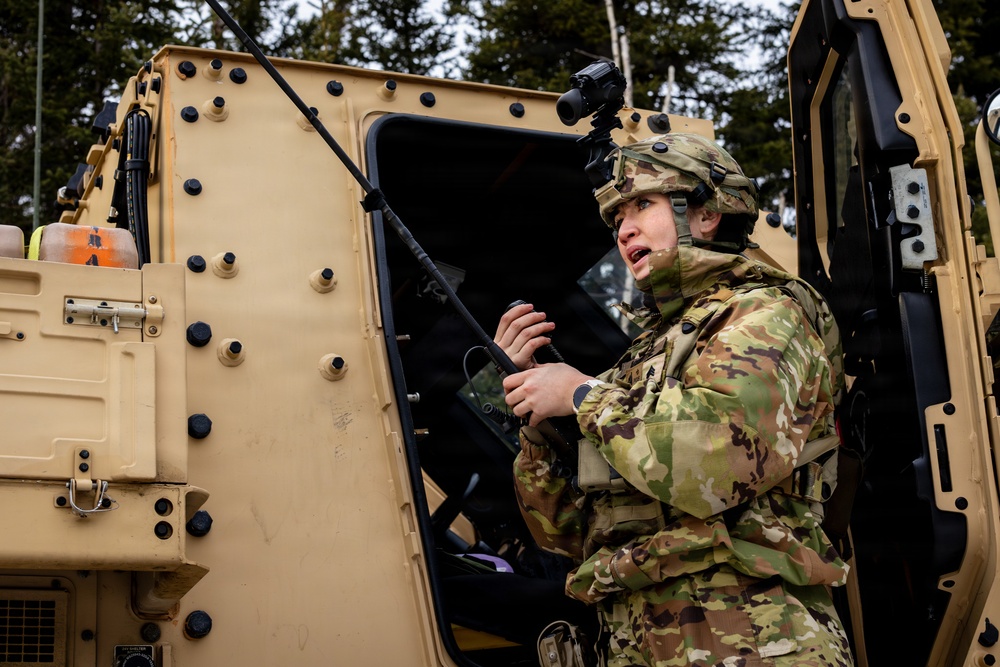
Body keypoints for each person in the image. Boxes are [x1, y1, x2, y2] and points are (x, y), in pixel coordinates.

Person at [495, 132, 854, 666]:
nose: (624, 227)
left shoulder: (762, 314)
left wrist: (581, 396)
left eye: (643, 203)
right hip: (639, 636)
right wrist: (536, 416)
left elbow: (719, 463)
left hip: (752, 632)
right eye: (617, 217)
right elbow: (565, 532)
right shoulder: (646, 355)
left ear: (705, 212)